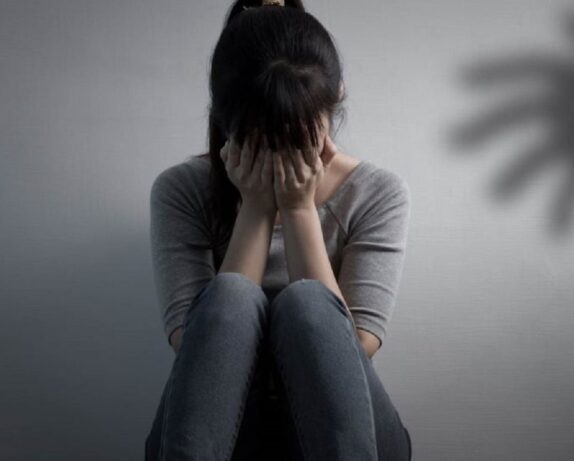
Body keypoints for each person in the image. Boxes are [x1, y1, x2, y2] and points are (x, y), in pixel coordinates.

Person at [144, 1, 413, 459]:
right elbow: (194, 351)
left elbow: (358, 349)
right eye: (264, 137)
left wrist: (298, 208)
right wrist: (255, 208)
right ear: (225, 118)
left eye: (298, 133)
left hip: (349, 432)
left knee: (308, 302)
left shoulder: (377, 192)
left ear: (336, 97)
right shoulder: (181, 189)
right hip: (219, 431)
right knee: (231, 295)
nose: (283, 152)